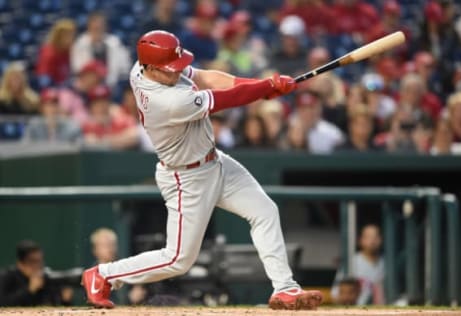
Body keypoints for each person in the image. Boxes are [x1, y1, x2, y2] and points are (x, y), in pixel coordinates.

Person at [81, 30, 322, 310]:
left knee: (265, 211)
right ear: (150, 68)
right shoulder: (167, 103)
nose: (177, 73)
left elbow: (208, 78)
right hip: (187, 178)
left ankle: (285, 288)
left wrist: (263, 85)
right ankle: (103, 274)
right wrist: (265, 88)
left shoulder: (143, 66)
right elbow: (226, 99)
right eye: (169, 69)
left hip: (214, 162)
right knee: (178, 260)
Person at [0, 240, 73, 306]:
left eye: (40, 261)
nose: (38, 265)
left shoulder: (46, 279)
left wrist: (65, 301)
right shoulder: (7, 277)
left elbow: (53, 307)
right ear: (20, 263)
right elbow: (4, 303)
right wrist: (29, 290)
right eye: (33, 261)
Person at [71, 11, 131, 87]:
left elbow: (125, 67)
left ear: (105, 27)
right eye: (95, 28)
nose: (98, 29)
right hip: (88, 86)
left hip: (112, 85)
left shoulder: (115, 42)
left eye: (100, 27)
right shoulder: (79, 44)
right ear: (89, 27)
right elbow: (77, 68)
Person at [331, 224, 385, 305]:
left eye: (375, 237)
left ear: (381, 239)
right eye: (368, 237)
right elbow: (335, 293)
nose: (372, 241)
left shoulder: (388, 264)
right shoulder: (352, 263)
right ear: (360, 240)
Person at [82, 85, 139, 150]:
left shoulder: (122, 119)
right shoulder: (87, 124)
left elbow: (134, 137)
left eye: (104, 102)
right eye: (97, 103)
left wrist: (104, 141)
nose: (101, 107)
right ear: (90, 107)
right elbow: (87, 141)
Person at [36, 19, 76, 85]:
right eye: (67, 35)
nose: (71, 38)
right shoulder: (48, 52)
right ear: (58, 36)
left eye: (72, 35)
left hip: (66, 88)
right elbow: (43, 80)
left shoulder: (69, 51)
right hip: (52, 89)